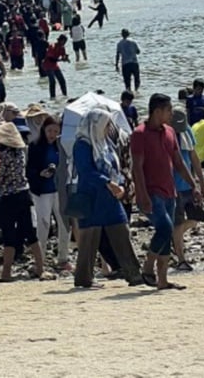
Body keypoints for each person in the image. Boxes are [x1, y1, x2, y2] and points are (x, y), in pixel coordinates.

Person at [130, 94, 200, 291]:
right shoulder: (139, 134)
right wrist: (142, 195)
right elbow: (137, 167)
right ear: (157, 111)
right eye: (169, 110)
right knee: (165, 229)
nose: (171, 114)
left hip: (170, 190)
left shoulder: (169, 131)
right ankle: (147, 266)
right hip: (151, 192)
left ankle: (162, 280)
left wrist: (193, 184)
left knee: (166, 234)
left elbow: (178, 161)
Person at [72, 109, 144, 288]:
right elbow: (86, 171)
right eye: (105, 125)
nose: (108, 129)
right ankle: (84, 278)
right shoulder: (82, 145)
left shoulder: (104, 144)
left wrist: (120, 184)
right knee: (89, 239)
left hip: (110, 197)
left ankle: (134, 274)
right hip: (92, 196)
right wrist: (107, 182)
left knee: (122, 232)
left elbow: (115, 167)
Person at [0, 122, 47, 282]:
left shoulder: (3, 156)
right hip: (24, 194)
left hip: (8, 197)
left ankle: (6, 272)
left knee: (9, 235)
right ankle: (40, 268)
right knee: (31, 234)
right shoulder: (21, 152)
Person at [26, 117, 71, 271]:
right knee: (43, 224)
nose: (52, 134)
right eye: (49, 131)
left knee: (64, 224)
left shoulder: (62, 146)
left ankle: (63, 258)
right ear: (43, 130)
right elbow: (29, 169)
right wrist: (40, 173)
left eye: (56, 131)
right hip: (42, 191)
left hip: (60, 190)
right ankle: (40, 260)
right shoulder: (35, 146)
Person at [169, 110, 204, 272]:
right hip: (172, 187)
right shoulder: (164, 135)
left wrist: (201, 181)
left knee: (196, 218)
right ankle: (181, 259)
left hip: (189, 186)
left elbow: (193, 156)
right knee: (177, 223)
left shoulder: (187, 131)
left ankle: (172, 236)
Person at [42, 35, 70, 99]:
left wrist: (66, 59)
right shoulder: (52, 46)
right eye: (63, 41)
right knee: (52, 81)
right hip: (47, 65)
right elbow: (50, 58)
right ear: (60, 40)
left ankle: (65, 95)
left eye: (65, 41)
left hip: (54, 65)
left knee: (62, 80)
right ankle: (52, 97)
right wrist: (61, 60)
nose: (64, 43)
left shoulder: (62, 48)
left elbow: (63, 56)